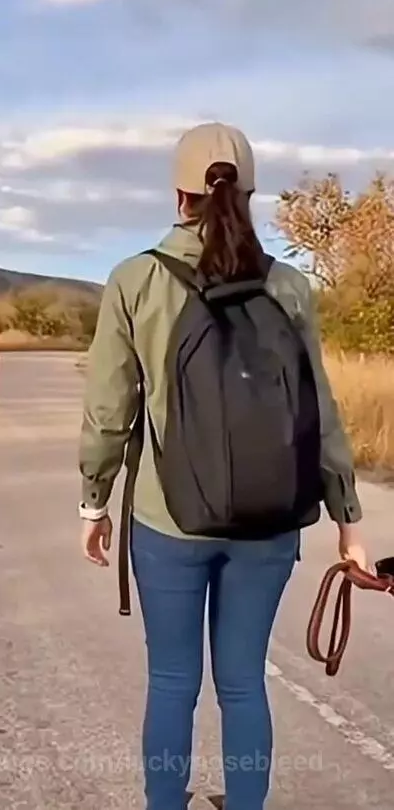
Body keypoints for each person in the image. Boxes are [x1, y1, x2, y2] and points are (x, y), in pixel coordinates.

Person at [78, 122, 367, 810]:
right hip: (269, 523)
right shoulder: (289, 286)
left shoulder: (136, 281)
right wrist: (348, 520)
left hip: (167, 519)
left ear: (179, 194)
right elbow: (319, 408)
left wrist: (94, 502)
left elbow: (109, 411)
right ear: (251, 193)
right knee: (242, 682)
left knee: (172, 682)